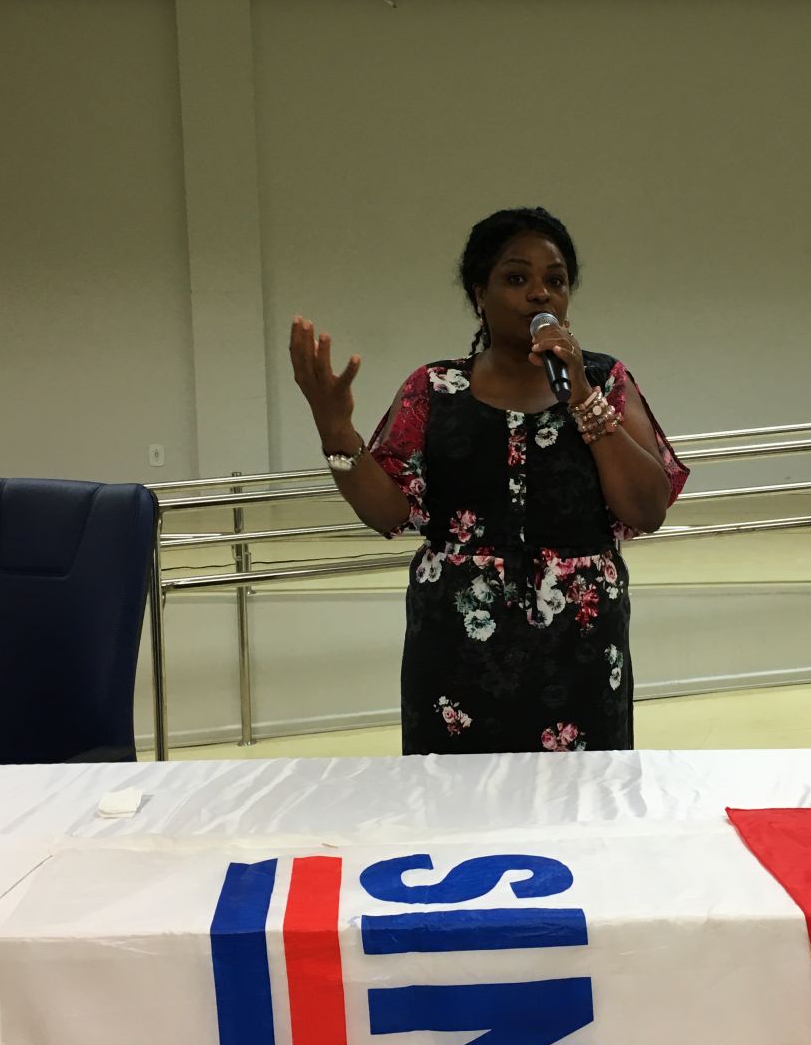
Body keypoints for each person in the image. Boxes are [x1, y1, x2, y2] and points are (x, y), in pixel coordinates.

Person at [287, 207, 689, 754]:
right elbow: (387, 513)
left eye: (556, 281)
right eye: (517, 278)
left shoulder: (604, 381)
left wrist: (582, 397)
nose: (540, 294)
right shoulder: (434, 389)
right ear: (480, 293)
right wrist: (334, 429)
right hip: (456, 648)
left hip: (581, 645)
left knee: (580, 800)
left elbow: (647, 509)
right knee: (453, 796)